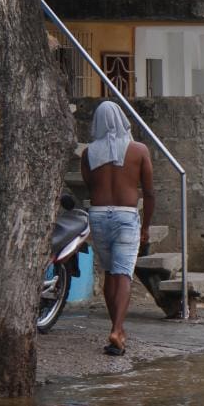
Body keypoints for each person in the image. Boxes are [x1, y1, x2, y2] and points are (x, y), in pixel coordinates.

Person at [80, 101, 154, 357]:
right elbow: (150, 192)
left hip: (98, 216)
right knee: (123, 274)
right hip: (126, 216)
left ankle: (117, 334)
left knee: (110, 272)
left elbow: (89, 186)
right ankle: (116, 328)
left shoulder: (88, 153)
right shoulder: (139, 150)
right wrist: (145, 227)